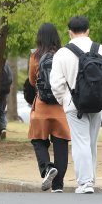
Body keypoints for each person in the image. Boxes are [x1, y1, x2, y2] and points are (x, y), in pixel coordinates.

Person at [50, 16, 102, 194]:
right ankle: (90, 179)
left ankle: (85, 182)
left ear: (69, 32)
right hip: (97, 103)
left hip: (73, 105)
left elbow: (56, 84)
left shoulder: (62, 54)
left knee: (80, 142)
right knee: (91, 142)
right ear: (88, 30)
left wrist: (64, 100)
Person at [28, 23, 71, 193]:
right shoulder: (64, 56)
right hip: (61, 107)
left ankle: (46, 168)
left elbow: (32, 81)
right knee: (60, 144)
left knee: (38, 140)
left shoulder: (35, 56)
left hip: (42, 106)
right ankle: (58, 185)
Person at [0, 62, 13, 140]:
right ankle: (3, 128)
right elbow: (10, 79)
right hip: (4, 91)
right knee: (2, 111)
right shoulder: (6, 64)